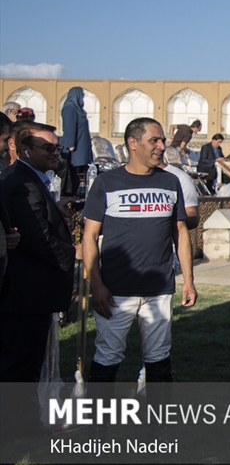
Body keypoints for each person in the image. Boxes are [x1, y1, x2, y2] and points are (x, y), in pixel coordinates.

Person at [82, 117, 197, 397]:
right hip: (115, 290)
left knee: (159, 358)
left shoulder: (171, 182)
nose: (162, 146)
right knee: (107, 357)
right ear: (132, 143)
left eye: (162, 140)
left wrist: (189, 281)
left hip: (159, 289)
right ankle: (99, 428)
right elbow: (88, 238)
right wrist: (95, 285)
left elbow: (180, 233)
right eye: (154, 140)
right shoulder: (107, 182)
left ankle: (158, 427)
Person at [0, 121, 74, 386]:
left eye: (58, 146)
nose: (56, 152)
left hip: (30, 296)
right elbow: (37, 238)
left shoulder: (31, 180)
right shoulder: (22, 183)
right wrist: (73, 256)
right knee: (20, 370)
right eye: (48, 147)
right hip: (24, 296)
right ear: (24, 149)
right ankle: (18, 426)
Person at [60, 86, 93, 196]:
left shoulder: (78, 110)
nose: (83, 97)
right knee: (73, 173)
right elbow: (69, 127)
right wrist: (70, 145)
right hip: (74, 149)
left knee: (80, 173)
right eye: (82, 95)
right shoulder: (69, 108)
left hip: (81, 146)